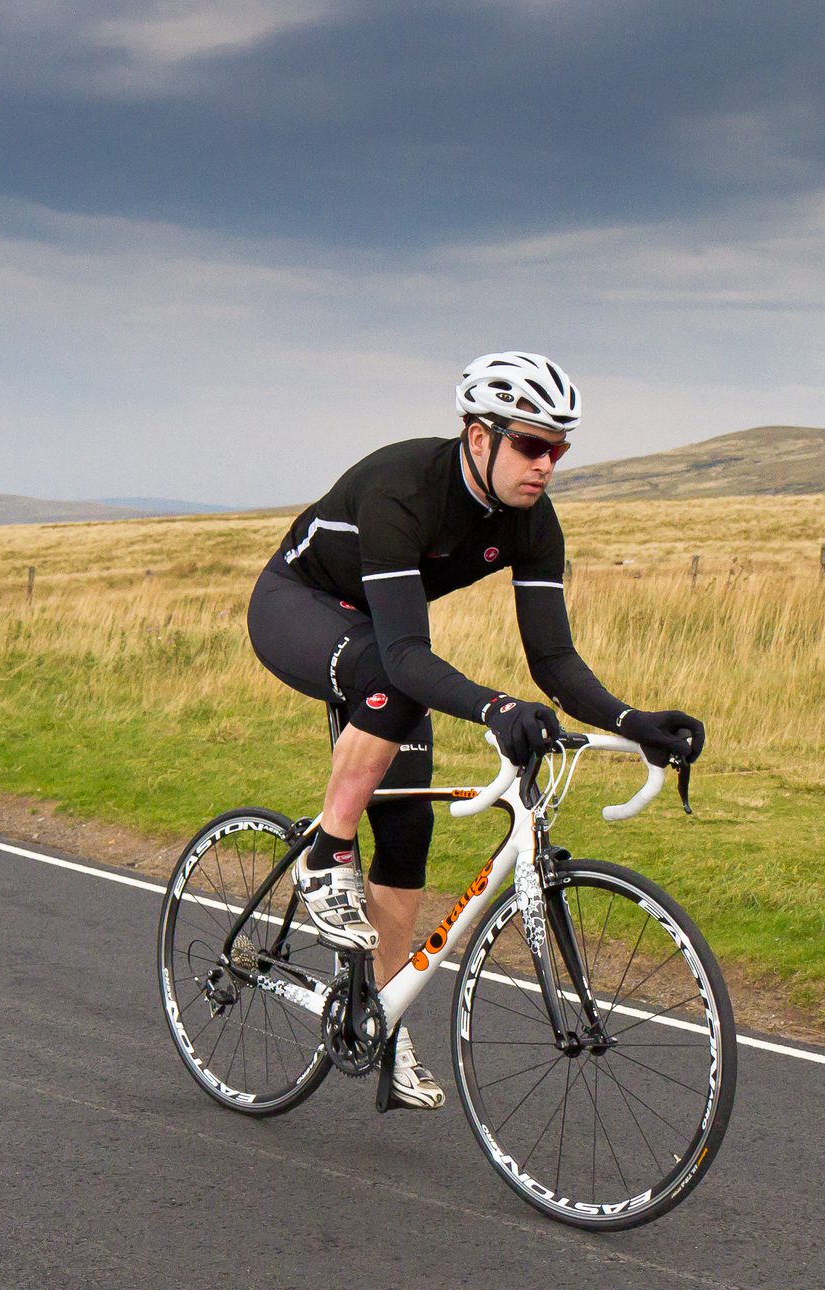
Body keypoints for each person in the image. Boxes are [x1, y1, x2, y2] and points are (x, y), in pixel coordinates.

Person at [244, 352, 705, 1110]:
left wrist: (634, 720)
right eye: (531, 444)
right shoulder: (404, 490)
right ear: (478, 436)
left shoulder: (532, 521)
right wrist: (495, 708)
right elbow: (402, 655)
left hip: (377, 640)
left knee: (407, 829)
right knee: (394, 685)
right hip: (299, 606)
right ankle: (325, 855)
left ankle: (382, 1026)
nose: (547, 464)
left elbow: (553, 658)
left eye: (560, 448)